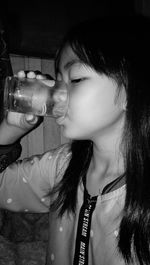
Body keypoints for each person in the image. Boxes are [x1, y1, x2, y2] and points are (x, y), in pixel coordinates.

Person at [0, 16, 150, 265]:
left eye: (76, 79)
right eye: (59, 80)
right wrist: (10, 129)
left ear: (130, 91)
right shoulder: (63, 167)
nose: (58, 93)